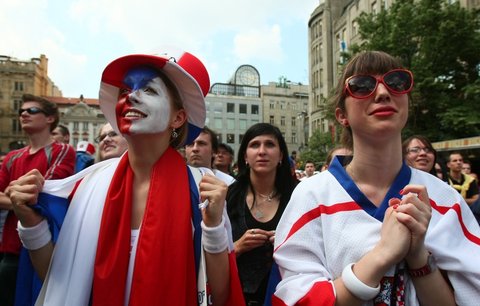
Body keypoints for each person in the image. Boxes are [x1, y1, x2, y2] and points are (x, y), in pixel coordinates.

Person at [7, 50, 244, 306]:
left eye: (149, 90)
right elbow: (59, 283)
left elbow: (220, 296)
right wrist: (31, 224)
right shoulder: (84, 187)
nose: (130, 96)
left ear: (178, 118)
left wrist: (212, 225)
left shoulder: (202, 191)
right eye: (124, 90)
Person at [272, 51, 480, 305]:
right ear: (341, 116)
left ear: (407, 104)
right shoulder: (313, 196)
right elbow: (297, 299)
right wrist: (382, 255)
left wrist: (418, 257)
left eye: (397, 82)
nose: (382, 93)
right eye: (363, 86)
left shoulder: (445, 200)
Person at [0, 94, 75, 306]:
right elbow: (26, 196)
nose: (24, 114)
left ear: (50, 118)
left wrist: (12, 194)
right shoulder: (13, 156)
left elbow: (41, 197)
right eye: (21, 111)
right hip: (10, 249)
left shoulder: (62, 150)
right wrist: (19, 198)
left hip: (42, 250)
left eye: (31, 110)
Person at [226, 123, 297, 306]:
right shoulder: (228, 196)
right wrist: (237, 247)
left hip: (289, 295)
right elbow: (209, 252)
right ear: (245, 156)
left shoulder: (299, 194)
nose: (262, 151)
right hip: (237, 296)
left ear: (281, 155)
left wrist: (288, 243)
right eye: (255, 145)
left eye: (270, 145)